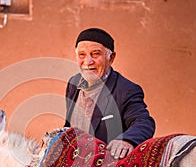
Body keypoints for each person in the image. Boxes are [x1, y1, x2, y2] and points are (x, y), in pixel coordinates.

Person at [64, 28, 155, 159]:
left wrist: (127, 140)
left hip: (105, 166)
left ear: (111, 58)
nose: (88, 62)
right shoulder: (73, 83)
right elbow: (69, 126)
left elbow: (144, 122)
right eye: (82, 55)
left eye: (95, 54)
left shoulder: (126, 90)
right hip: (76, 162)